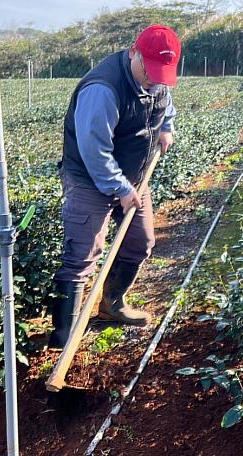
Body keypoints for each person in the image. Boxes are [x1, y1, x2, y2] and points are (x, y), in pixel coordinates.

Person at [49, 24, 181, 350]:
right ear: (134, 52)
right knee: (82, 255)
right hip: (90, 179)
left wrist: (166, 127)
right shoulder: (102, 88)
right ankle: (63, 337)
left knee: (140, 243)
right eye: (149, 71)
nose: (153, 80)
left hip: (133, 177)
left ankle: (112, 304)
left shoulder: (157, 80)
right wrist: (120, 189)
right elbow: (95, 152)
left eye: (161, 74)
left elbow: (165, 105)